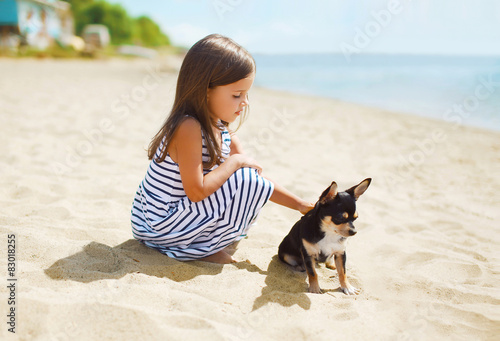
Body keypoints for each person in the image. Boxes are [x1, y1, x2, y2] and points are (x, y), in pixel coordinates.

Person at [131, 34, 313, 264]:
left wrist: (298, 204)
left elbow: (259, 179)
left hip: (173, 220)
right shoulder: (188, 127)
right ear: (206, 89)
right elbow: (196, 192)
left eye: (246, 94)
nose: (244, 102)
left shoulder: (221, 131)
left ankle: (203, 243)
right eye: (237, 95)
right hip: (157, 225)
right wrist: (235, 162)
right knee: (244, 177)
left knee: (250, 178)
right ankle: (200, 248)